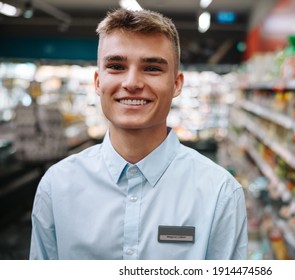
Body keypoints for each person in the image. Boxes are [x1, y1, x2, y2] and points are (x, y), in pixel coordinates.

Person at [29, 8, 248, 260]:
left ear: (176, 84)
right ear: (98, 82)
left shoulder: (220, 193)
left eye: (152, 68)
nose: (132, 83)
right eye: (116, 66)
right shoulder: (56, 187)